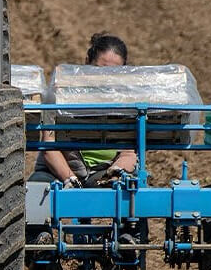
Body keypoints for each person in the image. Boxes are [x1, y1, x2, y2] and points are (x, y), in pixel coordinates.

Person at [30, 33, 139, 187]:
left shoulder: (127, 102)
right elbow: (49, 148)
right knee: (38, 190)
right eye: (100, 70)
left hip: (103, 171)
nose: (106, 78)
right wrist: (69, 179)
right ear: (87, 62)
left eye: (114, 72)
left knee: (123, 191)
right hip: (58, 170)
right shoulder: (61, 93)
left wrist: (115, 172)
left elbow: (128, 153)